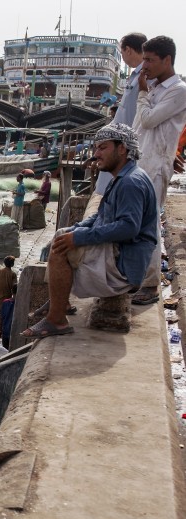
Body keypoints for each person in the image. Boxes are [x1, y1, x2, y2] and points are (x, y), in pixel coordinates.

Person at [22, 124, 157, 338]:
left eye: (102, 148)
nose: (96, 154)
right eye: (96, 148)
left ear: (122, 149)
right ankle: (61, 302)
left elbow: (128, 227)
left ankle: (56, 321)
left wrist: (79, 238)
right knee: (62, 235)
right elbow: (101, 215)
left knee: (60, 251)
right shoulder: (122, 177)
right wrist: (76, 230)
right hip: (119, 252)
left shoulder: (130, 183)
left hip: (125, 264)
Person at [131, 35, 186, 306]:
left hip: (154, 166)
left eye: (150, 60)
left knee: (148, 225)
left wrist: (142, 93)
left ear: (167, 60)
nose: (145, 66)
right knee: (137, 223)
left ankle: (150, 285)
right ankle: (140, 279)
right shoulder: (155, 88)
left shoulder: (178, 89)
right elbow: (141, 128)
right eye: (144, 59)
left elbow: (150, 120)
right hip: (142, 163)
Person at [94, 33, 147, 198]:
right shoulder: (135, 76)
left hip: (128, 142)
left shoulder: (145, 76)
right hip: (120, 138)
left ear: (129, 50)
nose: (122, 57)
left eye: (122, 53)